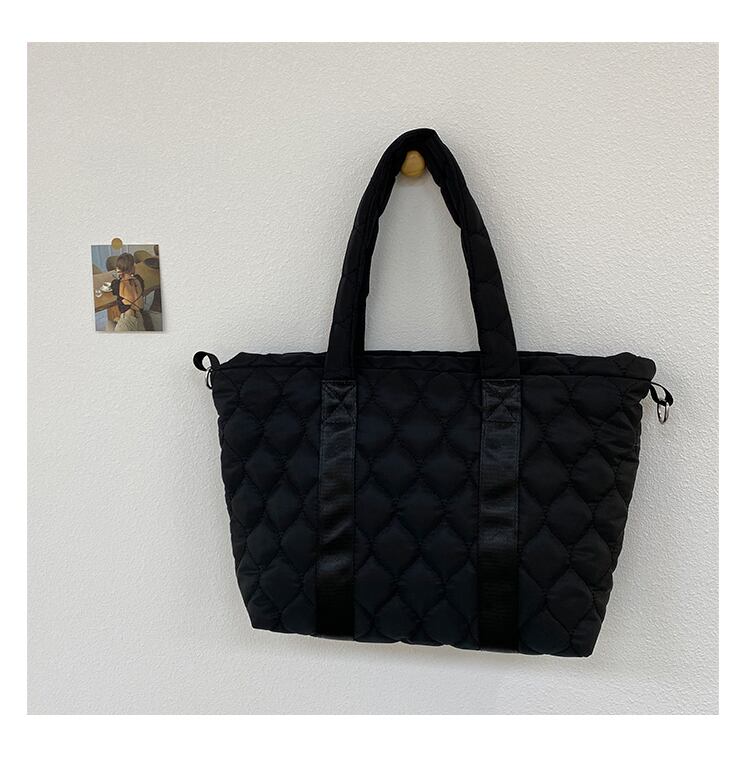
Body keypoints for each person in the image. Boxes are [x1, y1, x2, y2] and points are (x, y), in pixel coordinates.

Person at [111, 253, 145, 332]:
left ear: (118, 269)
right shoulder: (139, 280)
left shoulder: (116, 284)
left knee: (109, 324)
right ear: (133, 267)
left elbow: (114, 290)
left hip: (126, 322)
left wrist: (119, 275)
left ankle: (118, 320)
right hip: (139, 319)